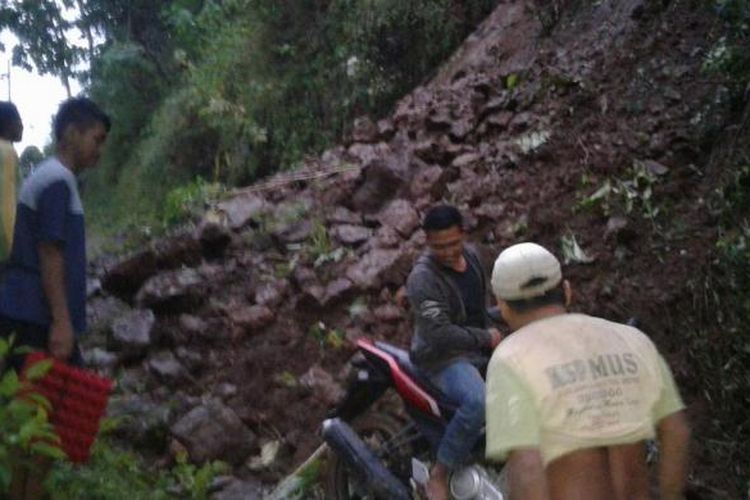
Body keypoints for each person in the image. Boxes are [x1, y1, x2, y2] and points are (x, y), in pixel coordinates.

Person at [486, 242, 691, 500]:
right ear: (567, 291)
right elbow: (676, 432)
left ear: (502, 306)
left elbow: (528, 468)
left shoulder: (512, 357)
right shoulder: (631, 340)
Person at [0, 97, 110, 500]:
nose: (99, 150)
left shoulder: (48, 177)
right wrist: (62, 323)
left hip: (26, 314)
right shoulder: (57, 181)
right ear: (71, 134)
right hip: (37, 319)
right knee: (41, 427)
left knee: (32, 423)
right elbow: (50, 253)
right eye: (96, 139)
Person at [406, 204, 503, 500]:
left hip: (474, 344)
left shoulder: (472, 257)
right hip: (441, 357)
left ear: (463, 233)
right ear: (427, 242)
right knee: (478, 400)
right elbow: (440, 334)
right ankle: (440, 474)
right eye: (439, 247)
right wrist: (486, 337)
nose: (448, 252)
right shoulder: (422, 279)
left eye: (452, 243)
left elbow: (478, 310)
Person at [0, 101, 23, 263]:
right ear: (8, 124)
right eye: (19, 120)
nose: (22, 126)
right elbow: (6, 205)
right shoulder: (7, 152)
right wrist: (12, 248)